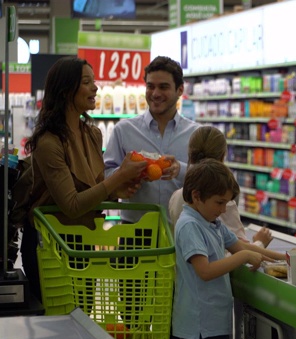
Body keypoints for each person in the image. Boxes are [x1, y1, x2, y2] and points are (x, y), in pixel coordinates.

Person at [21, 56, 147, 302]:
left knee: (82, 319)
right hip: (50, 246)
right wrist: (118, 175)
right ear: (67, 91)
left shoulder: (92, 134)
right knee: (57, 323)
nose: (95, 88)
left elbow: (94, 187)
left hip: (84, 242)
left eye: (94, 81)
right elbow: (72, 204)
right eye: (87, 82)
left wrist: (119, 189)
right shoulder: (49, 142)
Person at [173, 159, 283, 339]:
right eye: (219, 202)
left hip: (213, 322)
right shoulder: (190, 225)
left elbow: (242, 246)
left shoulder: (211, 221)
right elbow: (204, 271)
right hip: (201, 326)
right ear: (197, 196)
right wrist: (243, 257)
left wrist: (285, 258)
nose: (224, 210)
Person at [104, 55, 200, 225]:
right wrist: (124, 175)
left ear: (179, 90)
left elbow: (210, 180)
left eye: (163, 87)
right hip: (133, 233)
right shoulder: (124, 130)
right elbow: (105, 174)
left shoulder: (196, 134)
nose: (155, 94)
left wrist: (182, 169)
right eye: (150, 86)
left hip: (181, 234)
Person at [168, 125, 276, 248]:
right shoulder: (223, 203)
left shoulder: (176, 197)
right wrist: (260, 242)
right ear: (222, 157)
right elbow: (236, 256)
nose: (222, 208)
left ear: (190, 154)